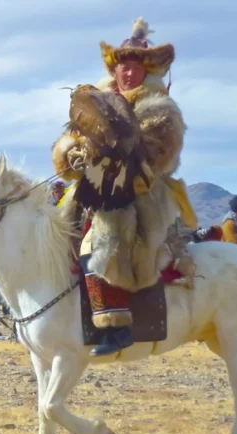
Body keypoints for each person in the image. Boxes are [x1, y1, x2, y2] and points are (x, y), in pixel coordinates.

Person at [52, 17, 195, 356]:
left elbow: (153, 155)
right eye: (122, 68)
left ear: (147, 71)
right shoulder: (95, 104)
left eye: (134, 68)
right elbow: (73, 138)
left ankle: (117, 327)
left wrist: (103, 157)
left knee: (101, 243)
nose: (127, 74)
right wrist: (74, 154)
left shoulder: (160, 109)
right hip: (93, 188)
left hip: (140, 193)